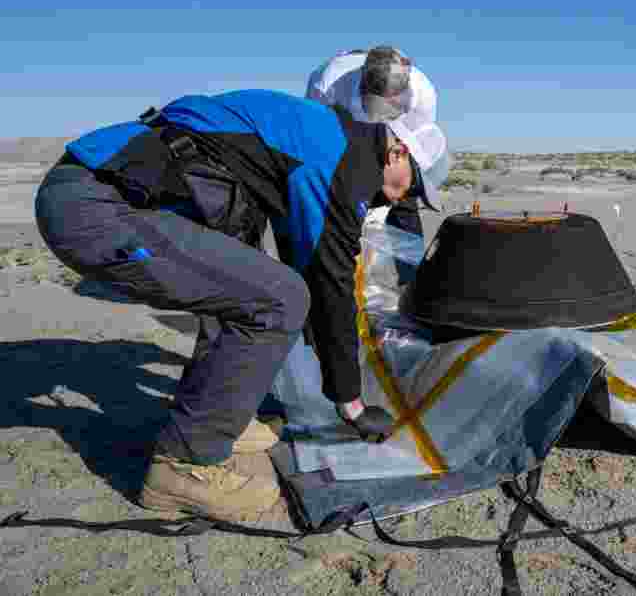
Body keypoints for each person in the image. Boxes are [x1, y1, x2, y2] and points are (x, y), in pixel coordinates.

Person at [34, 88, 451, 520]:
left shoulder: (324, 138)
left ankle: (216, 421)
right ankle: (184, 467)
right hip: (96, 207)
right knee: (278, 298)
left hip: (98, 195)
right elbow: (330, 282)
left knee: (251, 285)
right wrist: (350, 402)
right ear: (397, 151)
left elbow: (305, 259)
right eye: (414, 187)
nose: (406, 200)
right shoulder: (345, 160)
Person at [305, 45, 444, 283]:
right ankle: (339, 277)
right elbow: (315, 138)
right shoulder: (327, 83)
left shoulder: (424, 94)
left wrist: (397, 179)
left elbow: (418, 147)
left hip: (396, 136)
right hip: (343, 131)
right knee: (342, 205)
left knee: (403, 199)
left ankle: (412, 283)